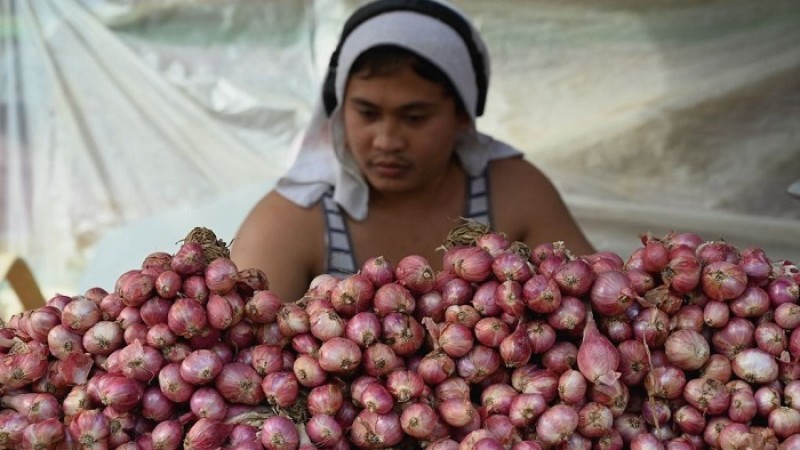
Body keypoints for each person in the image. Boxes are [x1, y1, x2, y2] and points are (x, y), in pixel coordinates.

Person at [231, 0, 594, 303]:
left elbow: (593, 299)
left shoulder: (515, 193)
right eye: (367, 113)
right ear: (339, 110)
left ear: (462, 116)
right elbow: (243, 340)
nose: (387, 140)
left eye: (415, 117)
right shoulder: (294, 219)